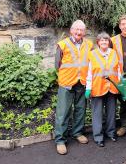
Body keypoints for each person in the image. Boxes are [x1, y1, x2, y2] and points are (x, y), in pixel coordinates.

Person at [54, 20, 93, 155]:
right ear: (71, 30)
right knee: (63, 112)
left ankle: (77, 133)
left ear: (84, 31)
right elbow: (57, 65)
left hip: (82, 82)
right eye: (76, 29)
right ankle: (60, 140)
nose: (78, 32)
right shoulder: (63, 44)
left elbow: (91, 62)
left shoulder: (89, 44)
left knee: (80, 110)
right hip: (66, 83)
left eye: (81, 30)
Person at [85, 32, 120, 147]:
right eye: (101, 40)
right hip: (97, 87)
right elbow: (89, 73)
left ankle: (111, 133)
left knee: (111, 112)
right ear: (98, 42)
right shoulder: (92, 54)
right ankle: (98, 136)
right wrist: (88, 88)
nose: (104, 42)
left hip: (112, 87)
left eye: (106, 40)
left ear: (109, 42)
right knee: (97, 114)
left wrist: (120, 84)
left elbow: (118, 70)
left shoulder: (114, 53)